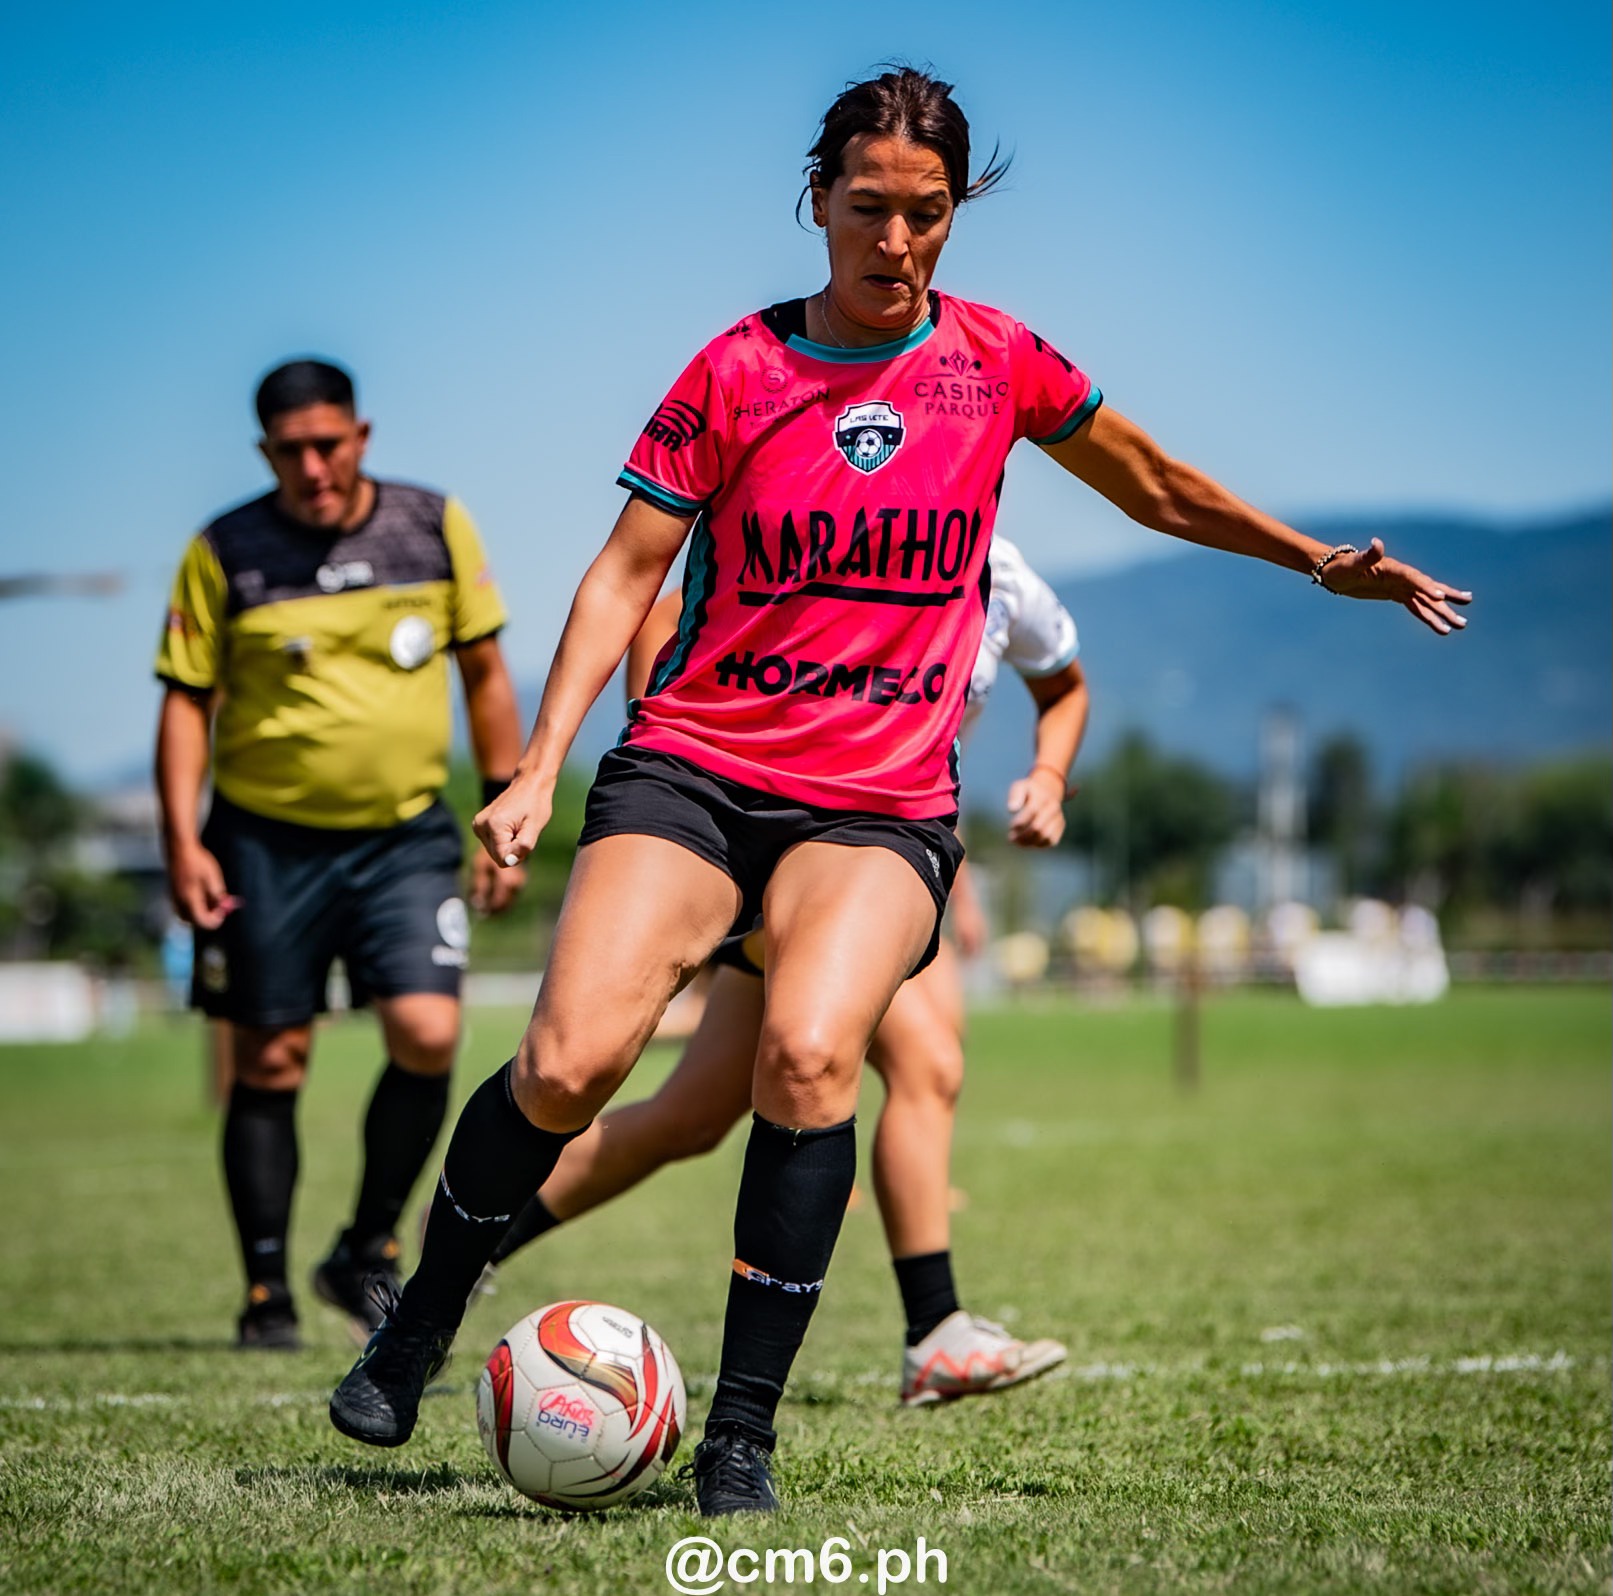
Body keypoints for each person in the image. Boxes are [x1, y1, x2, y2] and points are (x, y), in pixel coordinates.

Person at [328, 68, 1469, 1515]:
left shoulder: (997, 362)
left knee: (808, 1060)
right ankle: (418, 1324)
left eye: (926, 215)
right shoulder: (734, 369)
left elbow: (1160, 486)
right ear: (817, 204)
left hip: (875, 805)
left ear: (953, 215)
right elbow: (626, 575)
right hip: (694, 765)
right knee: (567, 1066)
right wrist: (539, 765)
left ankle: (740, 1438)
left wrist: (1318, 560)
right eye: (868, 209)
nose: (897, 241)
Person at [485, 536, 1087, 1407]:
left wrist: (1049, 775)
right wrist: (681, 782)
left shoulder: (1001, 572)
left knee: (687, 1118)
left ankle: (468, 1238)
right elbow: (665, 611)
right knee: (926, 1060)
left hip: (890, 854)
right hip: (777, 846)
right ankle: (935, 1329)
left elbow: (1062, 683)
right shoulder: (841, 517)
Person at [154, 359, 525, 1350]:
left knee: (428, 1033)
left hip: (404, 837)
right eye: (290, 451)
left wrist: (503, 804)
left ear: (360, 435)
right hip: (261, 846)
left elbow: (486, 674)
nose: (313, 467)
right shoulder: (223, 551)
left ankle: (364, 1251)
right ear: (264, 452)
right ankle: (266, 1291)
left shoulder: (432, 524)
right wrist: (180, 839)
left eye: (329, 444)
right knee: (270, 1060)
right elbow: (186, 704)